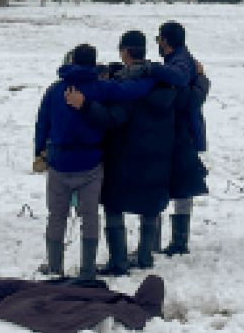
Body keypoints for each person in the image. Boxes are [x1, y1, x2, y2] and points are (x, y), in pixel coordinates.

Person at [33, 43, 157, 279]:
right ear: (93, 63)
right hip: (90, 162)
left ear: (72, 61)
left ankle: (54, 266)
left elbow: (42, 123)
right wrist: (153, 77)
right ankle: (87, 269)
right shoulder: (100, 89)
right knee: (89, 218)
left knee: (57, 216)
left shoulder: (54, 90)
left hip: (59, 161)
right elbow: (131, 92)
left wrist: (39, 151)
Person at [82, 31, 178, 275]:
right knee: (149, 207)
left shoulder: (128, 87)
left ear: (125, 51)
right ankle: (145, 256)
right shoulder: (164, 81)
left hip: (125, 156)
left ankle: (119, 261)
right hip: (158, 156)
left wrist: (86, 106)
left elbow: (115, 118)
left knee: (114, 206)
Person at [147, 21, 210, 257]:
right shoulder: (181, 60)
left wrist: (150, 68)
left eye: (159, 40)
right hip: (181, 134)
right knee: (180, 187)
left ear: (165, 41)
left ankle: (167, 241)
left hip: (178, 134)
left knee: (173, 185)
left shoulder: (180, 63)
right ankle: (175, 240)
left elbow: (185, 89)